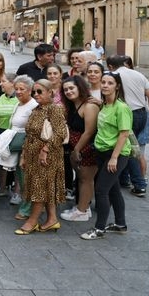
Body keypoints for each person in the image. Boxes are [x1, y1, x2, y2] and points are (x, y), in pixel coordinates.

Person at [81, 72, 132, 240]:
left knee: (101, 190)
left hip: (115, 154)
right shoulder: (105, 104)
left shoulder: (121, 107)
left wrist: (114, 157)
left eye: (110, 83)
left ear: (117, 86)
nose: (105, 85)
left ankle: (99, 229)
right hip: (102, 151)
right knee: (114, 189)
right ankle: (120, 224)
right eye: (103, 82)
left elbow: (124, 134)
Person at [14, 79, 67, 235]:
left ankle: (32, 221)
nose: (36, 94)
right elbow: (28, 134)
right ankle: (52, 219)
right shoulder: (37, 109)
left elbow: (60, 133)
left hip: (47, 156)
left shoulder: (55, 109)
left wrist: (45, 150)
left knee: (39, 187)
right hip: (32, 154)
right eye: (34, 92)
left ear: (50, 92)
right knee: (44, 187)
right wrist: (24, 155)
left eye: (39, 91)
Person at [106, 55, 149, 198]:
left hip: (126, 114)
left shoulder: (113, 76)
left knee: (130, 148)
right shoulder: (138, 74)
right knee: (130, 146)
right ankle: (124, 179)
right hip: (141, 113)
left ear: (110, 66)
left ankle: (139, 184)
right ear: (124, 63)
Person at [60, 76, 100, 223]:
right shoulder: (73, 105)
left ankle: (82, 211)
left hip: (87, 148)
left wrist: (76, 150)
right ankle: (83, 207)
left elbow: (89, 131)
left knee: (86, 180)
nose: (69, 91)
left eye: (71, 88)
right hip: (77, 148)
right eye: (65, 89)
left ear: (80, 87)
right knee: (82, 179)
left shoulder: (89, 105)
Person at [3, 76, 39, 210]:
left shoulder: (34, 106)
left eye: (22, 89)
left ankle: (28, 208)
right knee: (21, 176)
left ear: (30, 90)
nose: (18, 91)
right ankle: (26, 205)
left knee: (26, 178)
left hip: (28, 147)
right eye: (16, 88)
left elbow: (34, 130)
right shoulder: (18, 104)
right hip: (19, 147)